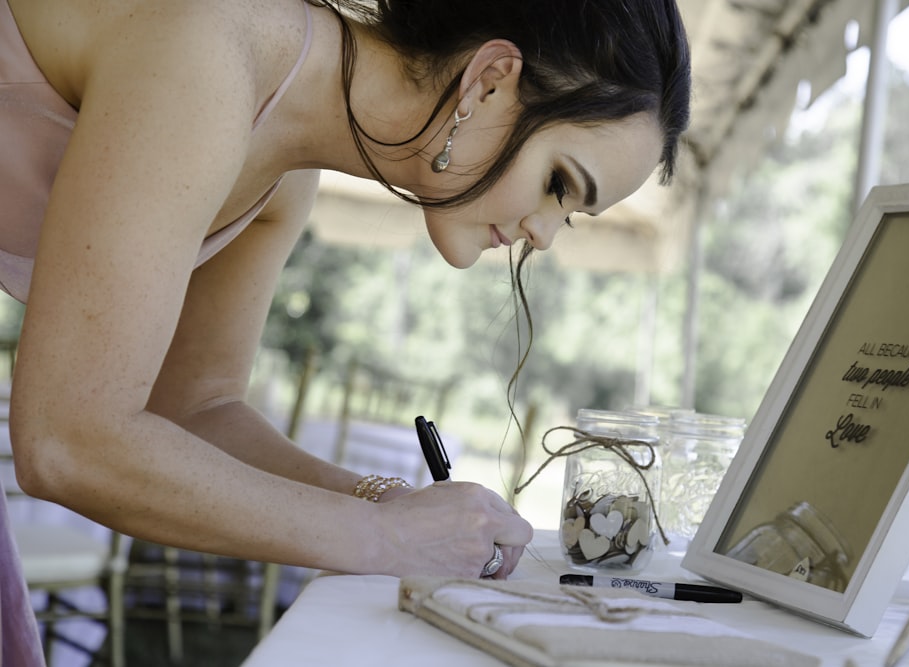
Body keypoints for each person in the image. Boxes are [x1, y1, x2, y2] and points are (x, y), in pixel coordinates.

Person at [0, 0, 691, 659]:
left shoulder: (286, 171)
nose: (544, 234)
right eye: (561, 185)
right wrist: (379, 536)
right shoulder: (215, 52)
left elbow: (195, 410)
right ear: (488, 80)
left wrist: (390, 502)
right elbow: (68, 438)